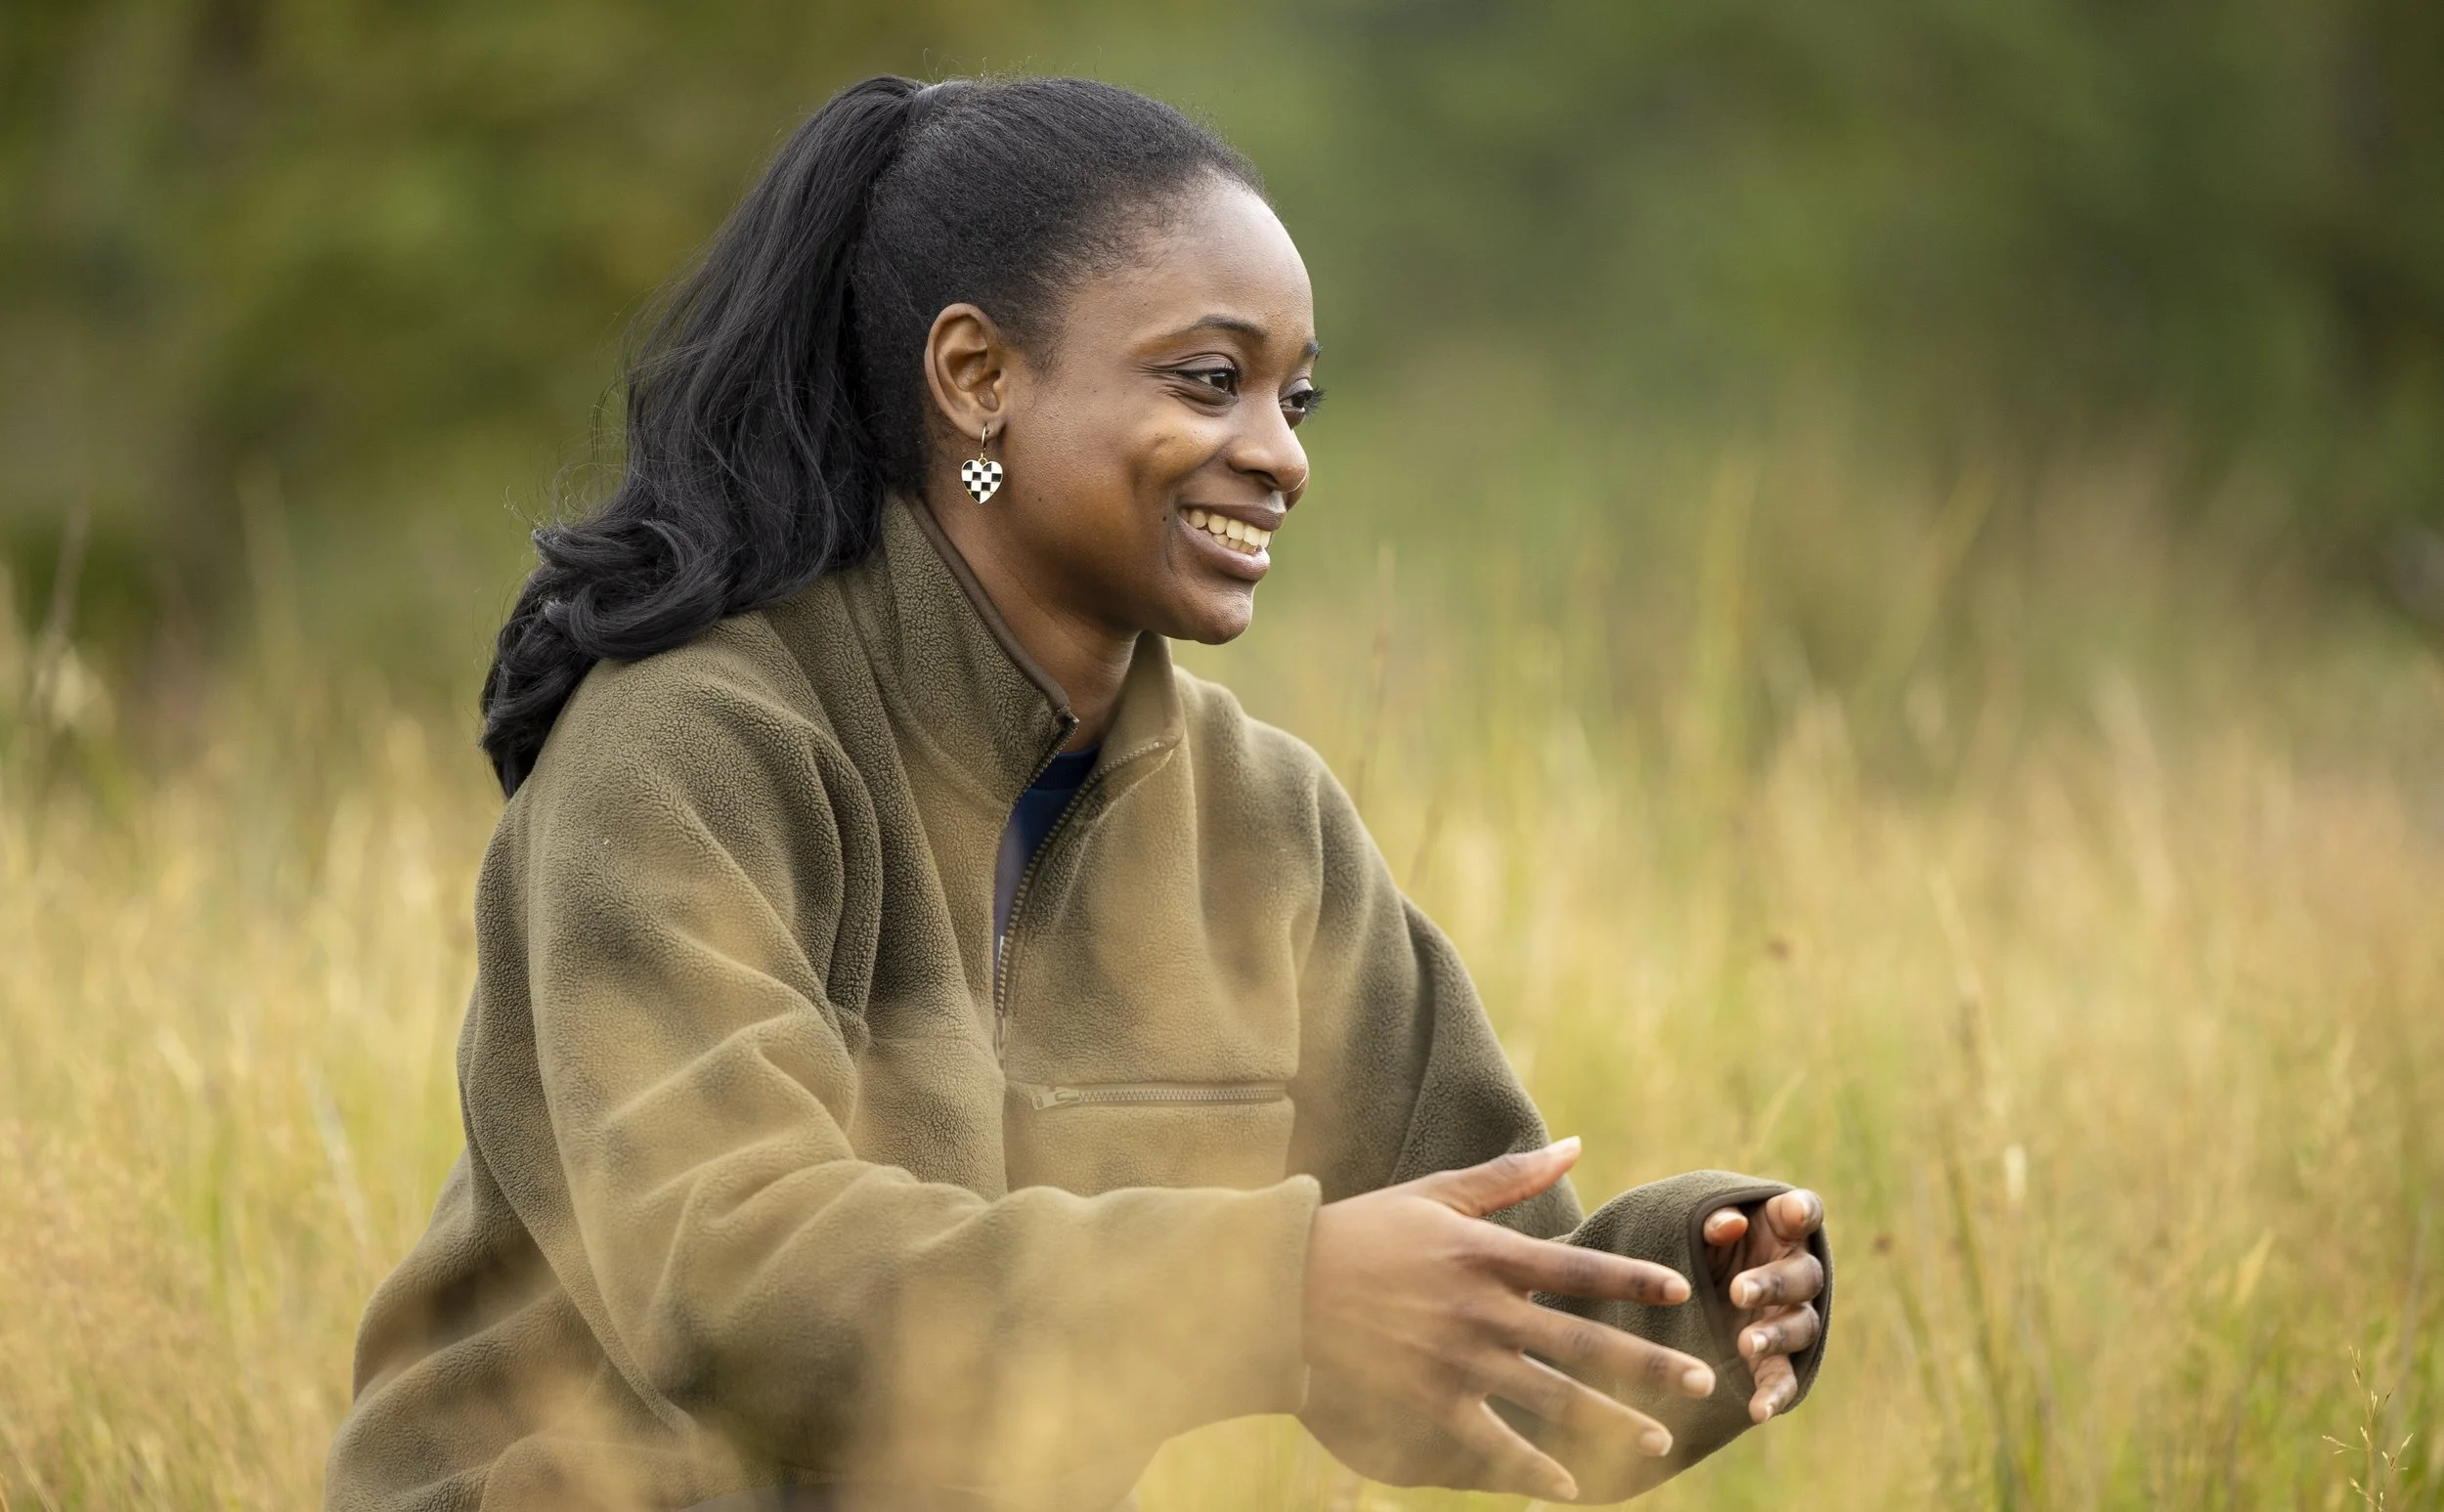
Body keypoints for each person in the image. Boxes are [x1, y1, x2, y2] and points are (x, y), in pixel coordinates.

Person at [326, 75, 1831, 1512]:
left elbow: (1463, 1319)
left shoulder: (1263, 822)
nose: (1281, 454)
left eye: (1297, 398)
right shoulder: (691, 746)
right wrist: (1276, 1291)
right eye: (1208, 379)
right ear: (978, 379)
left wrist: (1701, 1293)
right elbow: (727, 1279)